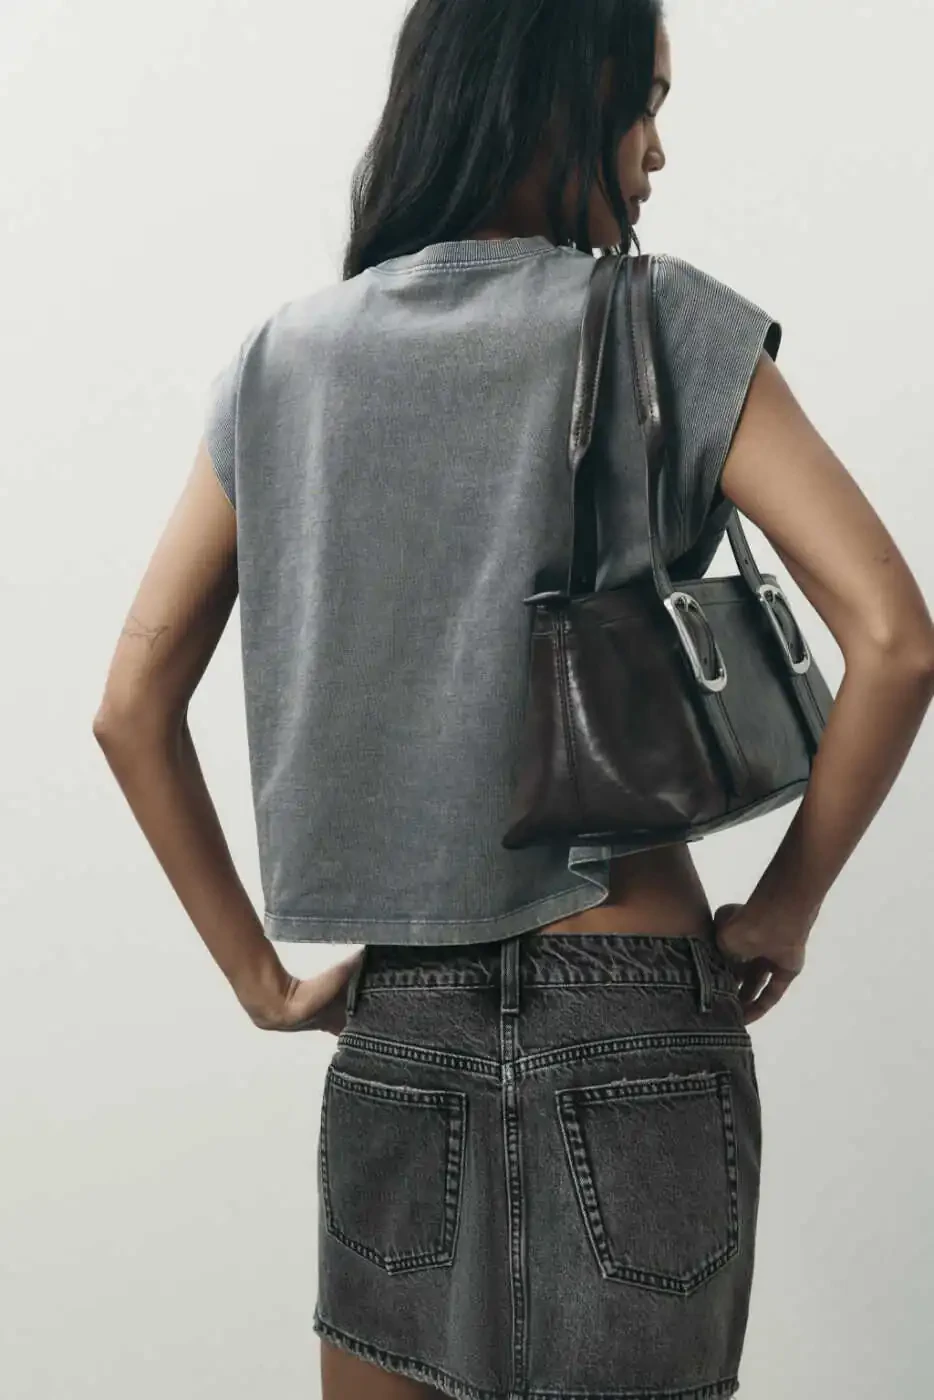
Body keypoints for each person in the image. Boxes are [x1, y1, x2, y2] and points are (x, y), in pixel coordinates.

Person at [92, 2, 934, 1397]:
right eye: (640, 102)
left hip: (399, 1020)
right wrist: (786, 904)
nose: (655, 151)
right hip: (637, 1008)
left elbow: (131, 705)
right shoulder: (661, 320)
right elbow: (894, 640)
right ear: (548, 96)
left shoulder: (281, 363)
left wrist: (261, 979)